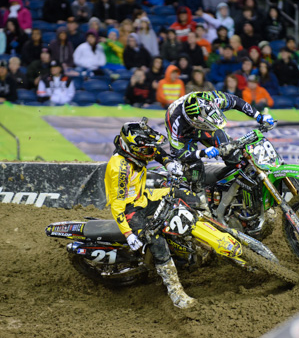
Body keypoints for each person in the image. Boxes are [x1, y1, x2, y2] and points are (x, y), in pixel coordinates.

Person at [104, 120, 196, 308]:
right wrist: (128, 234)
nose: (150, 152)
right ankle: (175, 292)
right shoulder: (119, 168)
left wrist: (168, 163)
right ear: (133, 149)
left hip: (143, 197)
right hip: (129, 209)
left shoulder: (136, 150)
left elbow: (156, 150)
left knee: (187, 196)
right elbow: (117, 206)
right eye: (146, 150)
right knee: (156, 240)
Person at [164, 91, 275, 210]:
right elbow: (179, 153)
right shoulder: (175, 121)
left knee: (233, 154)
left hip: (209, 124)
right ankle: (201, 203)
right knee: (193, 167)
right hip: (185, 134)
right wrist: (202, 153)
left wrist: (259, 116)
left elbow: (236, 101)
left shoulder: (212, 98)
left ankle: (240, 192)